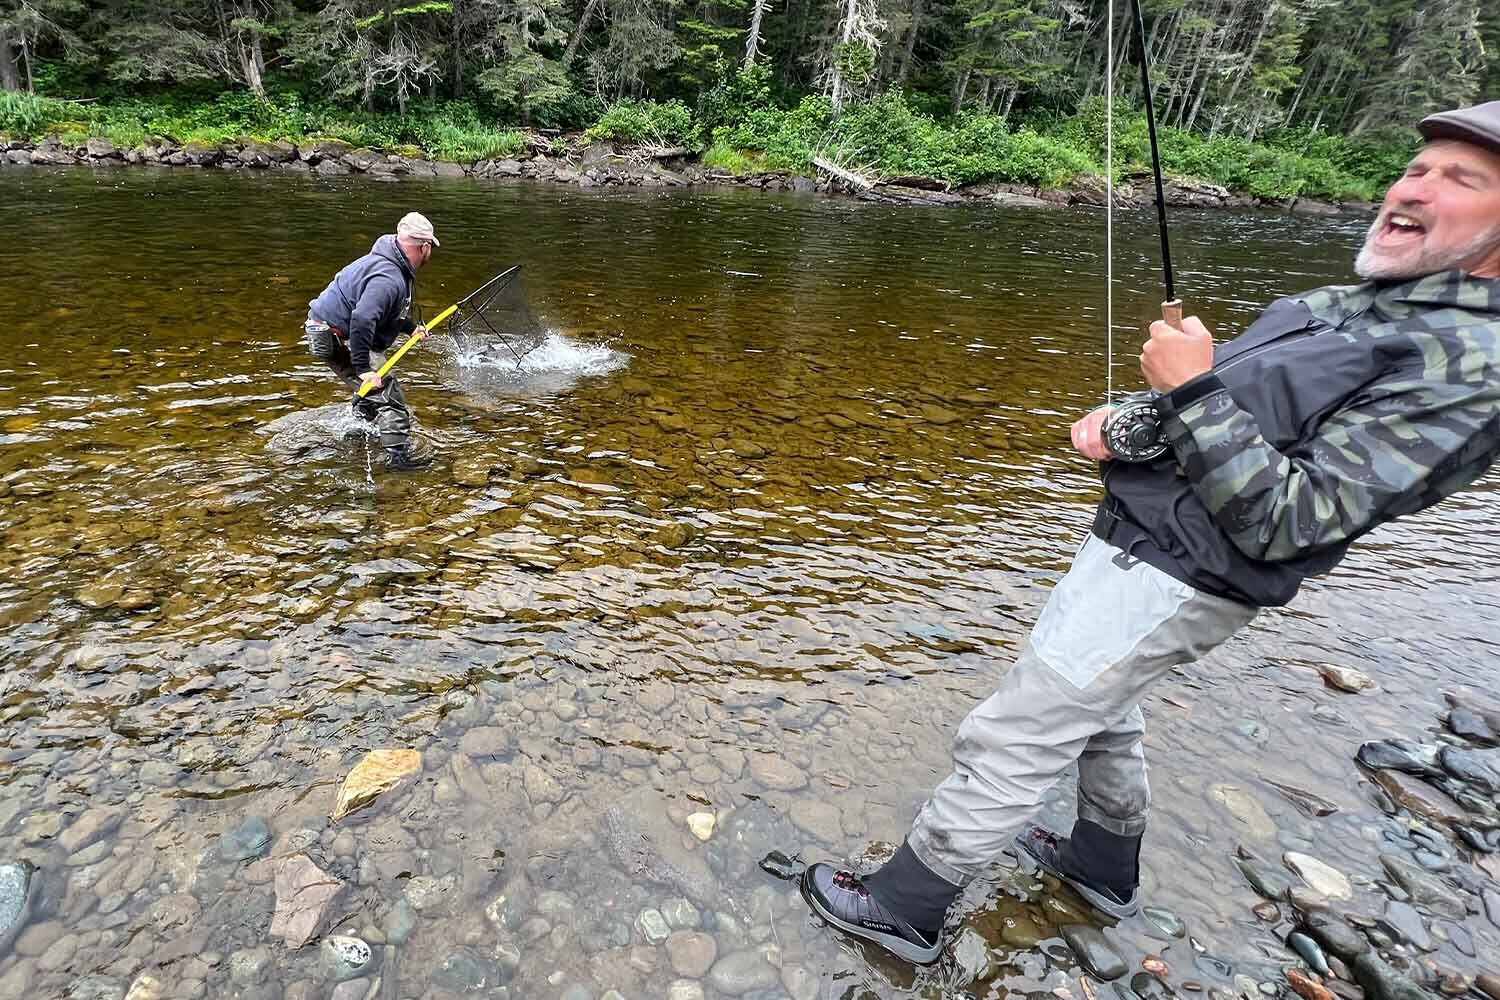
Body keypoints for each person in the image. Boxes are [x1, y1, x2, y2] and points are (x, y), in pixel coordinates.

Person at [800, 99, 1500, 966]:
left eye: (1461, 179)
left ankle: (903, 907)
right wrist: (1136, 417)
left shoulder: (1473, 368)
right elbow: (1236, 406)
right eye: (1419, 166)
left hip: (1179, 575)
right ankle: (1101, 868)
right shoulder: (1371, 304)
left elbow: (1296, 517)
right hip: (1147, 542)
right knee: (1104, 711)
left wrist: (1192, 390)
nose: (1416, 187)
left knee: (1018, 732)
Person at [304, 212, 440, 468]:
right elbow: (363, 319)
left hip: (330, 330)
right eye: (430, 247)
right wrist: (365, 370)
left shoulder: (389, 263)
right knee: (390, 396)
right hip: (334, 336)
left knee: (374, 387)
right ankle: (398, 460)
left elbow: (385, 312)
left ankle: (359, 427)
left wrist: (410, 328)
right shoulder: (388, 277)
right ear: (424, 246)